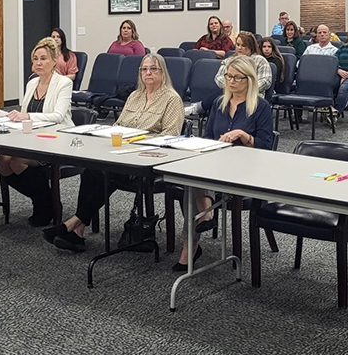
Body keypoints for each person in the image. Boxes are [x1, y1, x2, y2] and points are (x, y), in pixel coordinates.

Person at [45, 53, 184, 252]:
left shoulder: (172, 99)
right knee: (91, 170)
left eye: (153, 69)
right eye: (144, 69)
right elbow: (118, 125)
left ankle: (71, 225)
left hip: (148, 160)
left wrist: (137, 142)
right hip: (121, 153)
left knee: (106, 174)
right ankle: (78, 231)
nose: (148, 73)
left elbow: (169, 137)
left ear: (163, 72)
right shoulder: (135, 96)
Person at [175, 55, 274, 270]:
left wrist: (243, 135)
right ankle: (204, 218)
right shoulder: (220, 103)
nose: (232, 81)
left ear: (249, 80)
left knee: (194, 183)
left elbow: (266, 147)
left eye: (238, 78)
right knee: (190, 173)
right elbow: (209, 135)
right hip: (218, 160)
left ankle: (193, 240)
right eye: (229, 76)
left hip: (248, 166)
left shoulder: (261, 106)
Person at [0, 38, 74, 227]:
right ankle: (44, 198)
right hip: (30, 137)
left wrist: (27, 117)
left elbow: (57, 116)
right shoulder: (32, 83)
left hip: (57, 138)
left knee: (16, 161)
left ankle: (44, 204)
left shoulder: (63, 83)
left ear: (54, 61)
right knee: (2, 162)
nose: (38, 63)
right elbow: (22, 114)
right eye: (35, 59)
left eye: (43, 59)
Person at [188, 32, 272, 117]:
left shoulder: (260, 60)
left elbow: (266, 81)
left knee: (220, 95)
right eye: (238, 44)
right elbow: (219, 77)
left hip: (252, 96)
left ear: (251, 46)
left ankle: (199, 108)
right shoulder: (230, 60)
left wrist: (243, 87)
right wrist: (232, 87)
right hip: (230, 94)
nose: (239, 48)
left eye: (243, 45)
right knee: (220, 99)